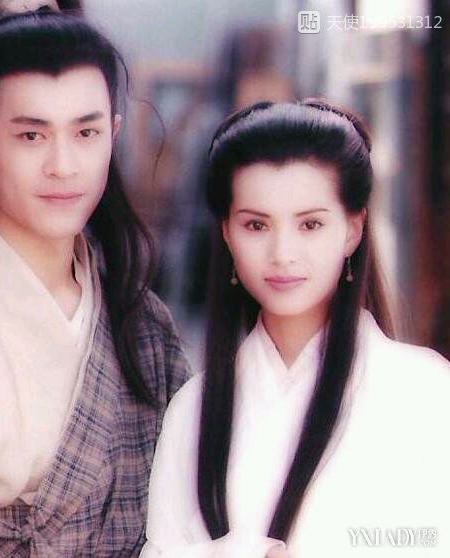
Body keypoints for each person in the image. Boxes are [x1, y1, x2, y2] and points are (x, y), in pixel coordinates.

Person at [0, 11, 190, 557]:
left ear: (113, 136)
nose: (63, 165)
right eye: (31, 135)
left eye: (86, 132)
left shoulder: (143, 325)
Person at [140, 100, 450, 557]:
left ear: (353, 229)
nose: (283, 253)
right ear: (227, 233)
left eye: (310, 224)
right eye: (256, 225)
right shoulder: (192, 410)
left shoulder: (424, 390)